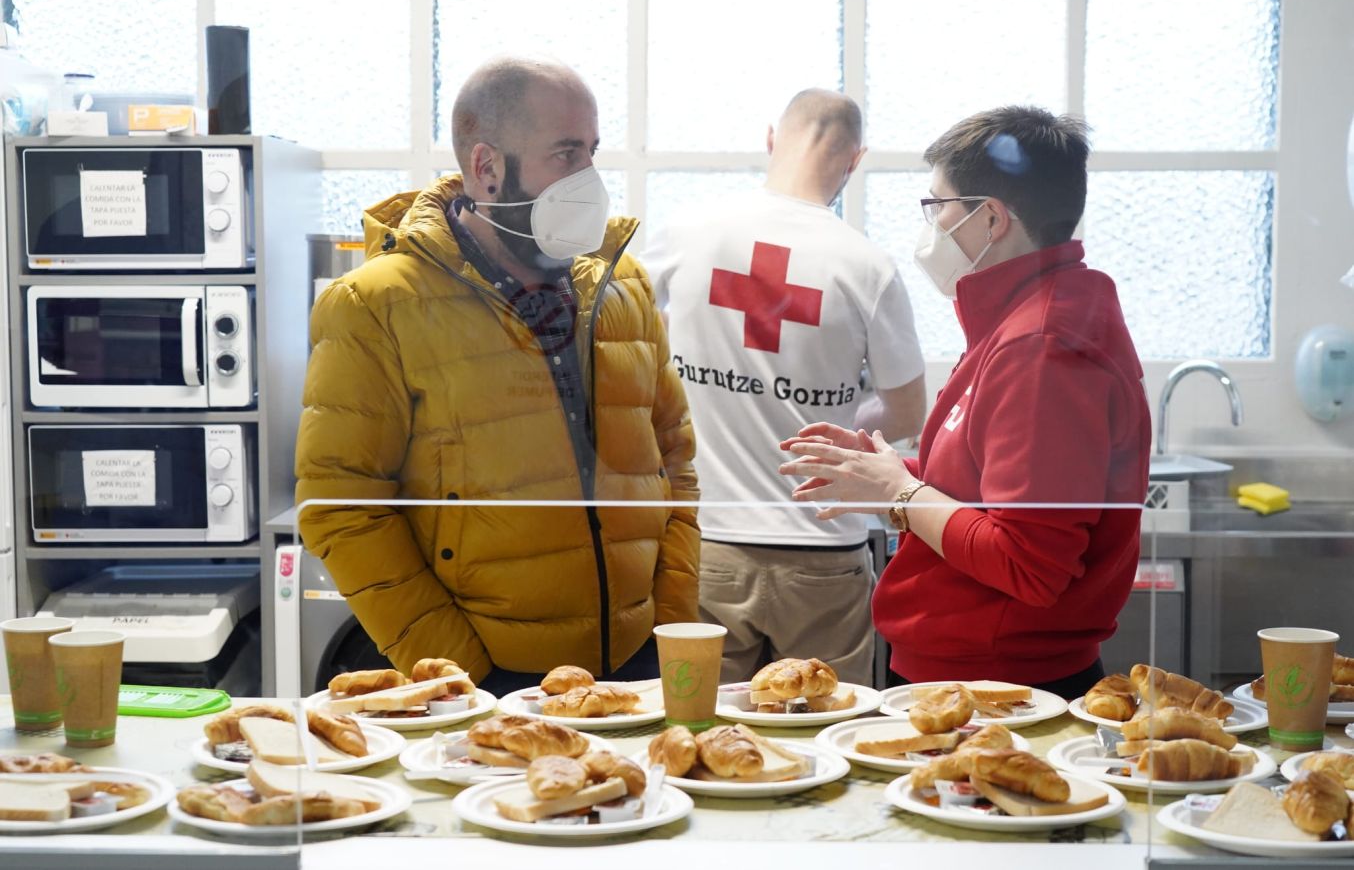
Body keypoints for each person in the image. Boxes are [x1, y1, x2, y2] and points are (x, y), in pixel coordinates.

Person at [295, 57, 700, 693]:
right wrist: (461, 673)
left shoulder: (622, 286)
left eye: (592, 152)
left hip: (636, 667)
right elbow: (341, 507)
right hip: (489, 677)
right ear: (486, 168)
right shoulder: (376, 303)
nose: (588, 179)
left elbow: (674, 461)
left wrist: (668, 625)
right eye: (565, 154)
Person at [779, 106, 1151, 699]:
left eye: (939, 206)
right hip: (975, 667)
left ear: (992, 219)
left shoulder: (1042, 347)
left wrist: (900, 494)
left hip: (997, 688)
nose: (932, 225)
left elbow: (1027, 563)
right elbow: (988, 491)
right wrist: (886, 475)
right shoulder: (1021, 318)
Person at [643, 89, 926, 685]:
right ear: (856, 160)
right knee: (830, 739)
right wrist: (825, 432)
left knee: (702, 737)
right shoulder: (867, 265)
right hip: (824, 553)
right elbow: (907, 410)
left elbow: (622, 341)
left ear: (772, 138)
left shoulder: (688, 231)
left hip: (709, 545)